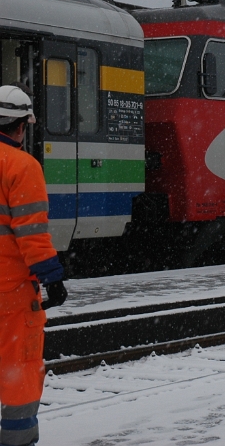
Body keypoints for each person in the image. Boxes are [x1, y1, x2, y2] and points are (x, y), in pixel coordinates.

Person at [0, 85, 67, 446]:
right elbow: (32, 235)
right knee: (18, 371)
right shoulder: (22, 166)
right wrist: (52, 278)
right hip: (9, 294)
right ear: (22, 126)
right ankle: (17, 439)